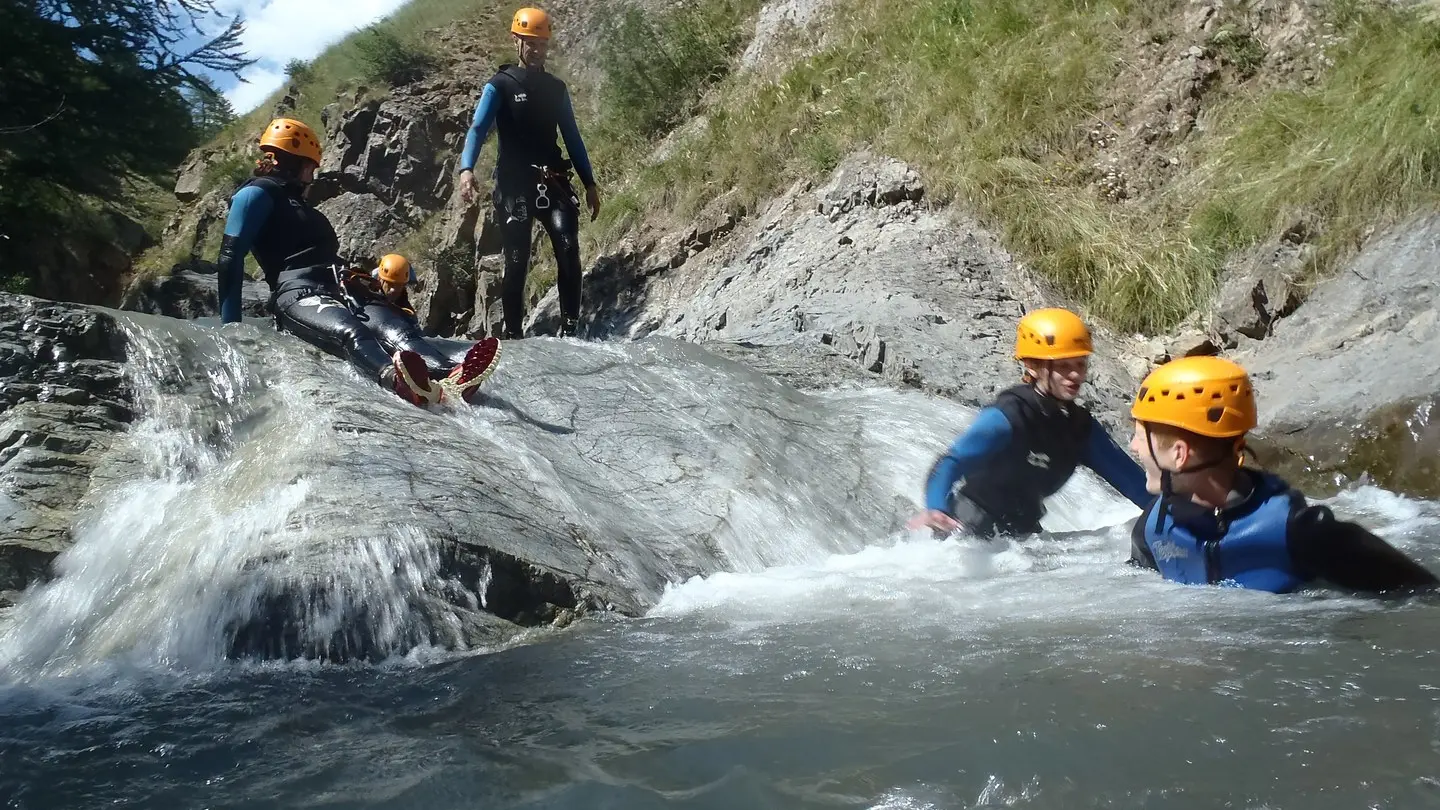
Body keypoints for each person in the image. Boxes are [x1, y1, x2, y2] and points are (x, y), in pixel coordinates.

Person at [216, 118, 495, 407]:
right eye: (311, 165)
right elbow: (230, 259)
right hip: (299, 292)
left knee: (399, 331)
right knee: (354, 332)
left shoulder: (297, 204)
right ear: (294, 162)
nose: (313, 174)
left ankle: (451, 375)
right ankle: (400, 382)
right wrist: (231, 330)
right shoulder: (254, 194)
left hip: (344, 287)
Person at [1126, 355, 1438, 594]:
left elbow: (1422, 594)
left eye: (1140, 435)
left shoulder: (1302, 534)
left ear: (1179, 454)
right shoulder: (1151, 529)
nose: (1133, 446)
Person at [908, 308, 1153, 539]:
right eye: (1064, 367)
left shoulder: (1080, 429)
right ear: (1033, 366)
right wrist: (936, 508)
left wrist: (1176, 516)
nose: (1076, 375)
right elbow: (949, 463)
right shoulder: (1009, 416)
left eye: (1080, 364)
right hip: (965, 529)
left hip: (1024, 536)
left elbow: (1135, 484)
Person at [456, 6, 601, 340]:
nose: (537, 50)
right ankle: (514, 334)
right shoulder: (500, 85)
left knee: (568, 247)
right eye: (530, 43)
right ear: (516, 41)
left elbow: (572, 136)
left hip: (554, 181)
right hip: (514, 185)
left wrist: (590, 182)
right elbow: (478, 128)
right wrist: (467, 169)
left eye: (542, 44)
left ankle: (571, 330)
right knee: (517, 259)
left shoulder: (556, 88)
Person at [336, 253, 501, 397]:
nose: (394, 290)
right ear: (380, 279)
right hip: (372, 326)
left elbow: (416, 337)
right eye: (390, 284)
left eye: (398, 285)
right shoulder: (360, 286)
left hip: (389, 331)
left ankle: (450, 373)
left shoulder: (403, 307)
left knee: (406, 339)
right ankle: (449, 372)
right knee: (398, 337)